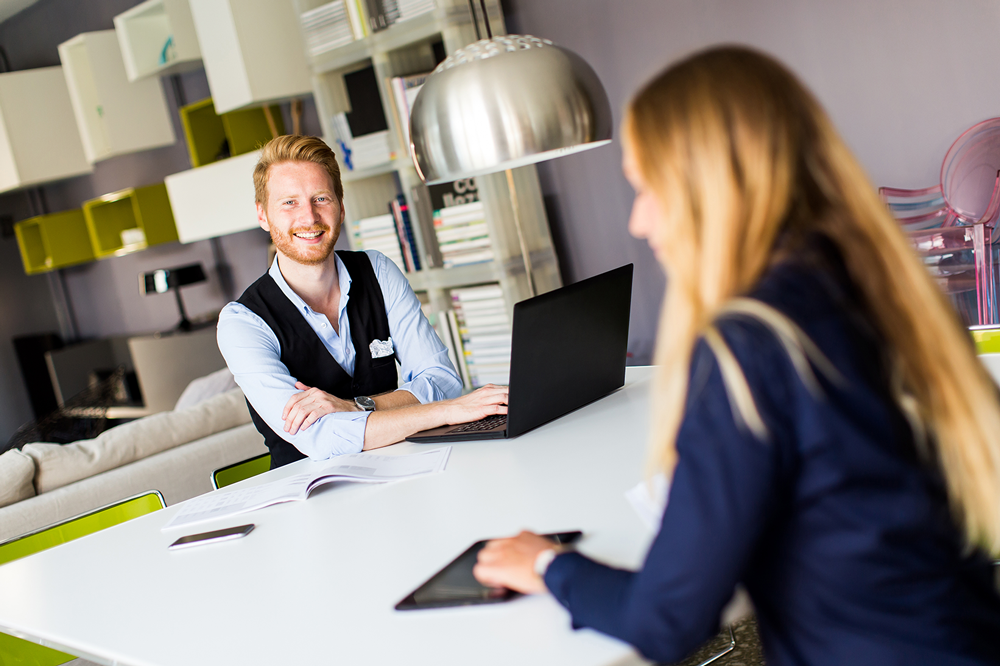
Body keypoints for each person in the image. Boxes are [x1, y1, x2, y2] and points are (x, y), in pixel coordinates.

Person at [473, 46, 1000, 665]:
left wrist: (546, 563)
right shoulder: (881, 286)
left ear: (710, 188)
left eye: (646, 188)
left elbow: (667, 617)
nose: (639, 222)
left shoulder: (750, 344)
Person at [218, 135, 507, 468]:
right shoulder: (243, 322)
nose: (309, 216)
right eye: (289, 203)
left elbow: (442, 379)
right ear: (263, 215)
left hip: (403, 468)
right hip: (313, 497)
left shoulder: (378, 271)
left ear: (340, 207)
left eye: (320, 198)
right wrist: (449, 410)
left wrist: (357, 406)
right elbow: (323, 437)